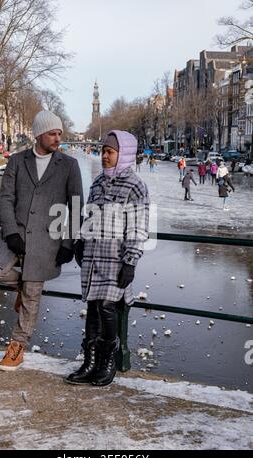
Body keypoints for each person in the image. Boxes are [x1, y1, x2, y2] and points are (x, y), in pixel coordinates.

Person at [0, 110, 84, 371]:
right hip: (15, 234)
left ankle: (17, 347)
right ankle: (21, 284)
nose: (57, 138)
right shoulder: (17, 161)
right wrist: (11, 232)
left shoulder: (69, 165)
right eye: (52, 133)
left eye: (60, 133)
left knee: (32, 293)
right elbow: (5, 198)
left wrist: (68, 242)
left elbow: (75, 206)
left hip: (46, 239)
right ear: (39, 134)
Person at [66, 130, 150, 387]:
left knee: (106, 307)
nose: (104, 156)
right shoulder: (98, 182)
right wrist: (80, 239)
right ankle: (89, 363)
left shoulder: (135, 186)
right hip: (93, 256)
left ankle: (108, 362)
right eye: (103, 151)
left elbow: (138, 226)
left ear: (122, 154)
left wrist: (130, 261)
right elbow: (89, 215)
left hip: (114, 258)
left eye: (110, 152)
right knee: (92, 307)